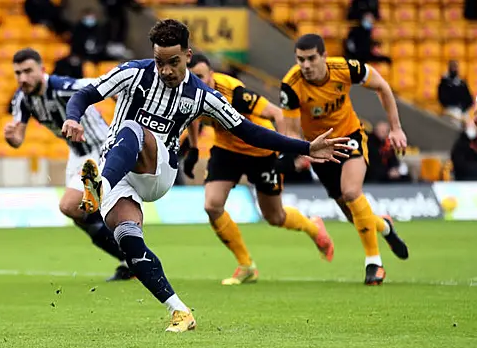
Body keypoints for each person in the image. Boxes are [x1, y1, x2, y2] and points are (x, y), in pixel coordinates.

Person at [61, 19, 352, 331]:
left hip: (157, 170)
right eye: (160, 62)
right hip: (118, 171)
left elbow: (249, 130)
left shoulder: (203, 94)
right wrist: (73, 117)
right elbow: (85, 94)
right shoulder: (133, 72)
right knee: (128, 240)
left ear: (188, 55)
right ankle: (180, 312)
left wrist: (306, 147)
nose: (166, 70)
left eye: (173, 62)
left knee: (133, 127)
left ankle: (98, 187)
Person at [185, 54, 334, 285]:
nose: (198, 82)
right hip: (227, 151)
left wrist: (285, 152)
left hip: (260, 152)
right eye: (193, 77)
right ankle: (246, 265)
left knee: (275, 217)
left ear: (212, 75)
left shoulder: (236, 93)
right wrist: (194, 148)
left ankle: (312, 227)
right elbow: (191, 116)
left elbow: (276, 113)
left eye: (201, 77)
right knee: (212, 205)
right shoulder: (188, 91)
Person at [278, 34, 410, 285]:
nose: (305, 65)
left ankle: (374, 263)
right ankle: (384, 227)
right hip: (320, 149)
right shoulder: (291, 85)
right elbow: (292, 130)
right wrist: (303, 151)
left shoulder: (346, 68)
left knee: (351, 192)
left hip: (350, 136)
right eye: (300, 59)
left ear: (324, 57)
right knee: (353, 215)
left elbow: (382, 86)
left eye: (311, 59)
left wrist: (395, 127)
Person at [5, 48, 131, 282]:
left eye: (28, 71)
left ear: (42, 70)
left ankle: (130, 252)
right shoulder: (21, 98)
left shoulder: (65, 86)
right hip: (77, 156)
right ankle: (128, 259)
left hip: (102, 149)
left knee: (70, 206)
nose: (23, 78)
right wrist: (10, 136)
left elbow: (107, 85)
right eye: (18, 73)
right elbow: (17, 140)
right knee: (77, 214)